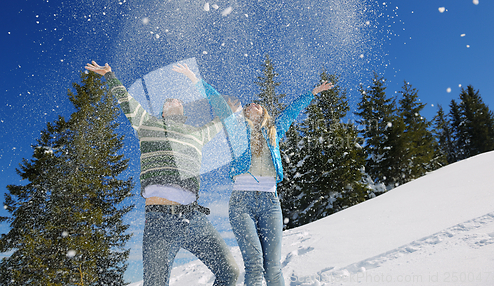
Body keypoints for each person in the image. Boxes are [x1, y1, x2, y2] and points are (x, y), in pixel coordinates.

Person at [174, 63, 333, 286]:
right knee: (255, 265)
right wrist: (194, 79)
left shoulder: (274, 131)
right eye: (249, 105)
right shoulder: (237, 129)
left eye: (258, 104)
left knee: (274, 267)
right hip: (242, 202)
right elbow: (219, 103)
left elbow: (292, 111)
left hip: (270, 202)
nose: (253, 105)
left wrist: (312, 93)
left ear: (264, 112)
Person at [84, 61, 239, 286]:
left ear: (183, 110)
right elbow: (128, 103)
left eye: (178, 100)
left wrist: (195, 80)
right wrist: (110, 76)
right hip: (159, 221)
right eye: (168, 101)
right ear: (163, 111)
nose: (174, 100)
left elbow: (225, 117)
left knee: (230, 272)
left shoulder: (197, 134)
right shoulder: (148, 126)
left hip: (194, 218)